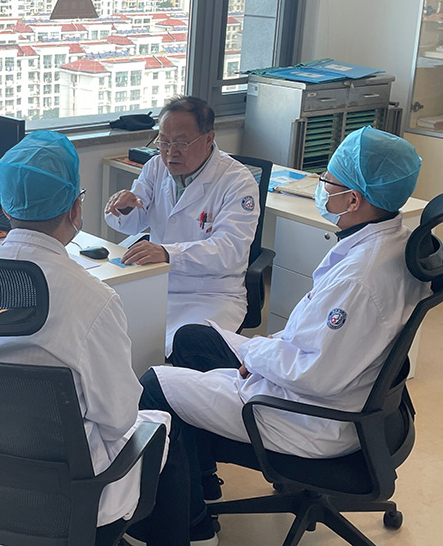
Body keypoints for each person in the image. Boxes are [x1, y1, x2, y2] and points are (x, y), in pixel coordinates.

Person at [137, 126, 432, 540]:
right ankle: (200, 483)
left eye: (328, 181)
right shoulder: (397, 243)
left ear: (353, 200)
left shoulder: (360, 279)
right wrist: (263, 353)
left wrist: (255, 357)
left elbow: (315, 376)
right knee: (192, 338)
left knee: (154, 387)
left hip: (312, 416)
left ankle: (191, 529)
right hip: (347, 392)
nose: (322, 187)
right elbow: (320, 345)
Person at [0, 130, 172, 539]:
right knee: (163, 428)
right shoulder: (93, 300)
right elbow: (119, 420)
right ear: (75, 208)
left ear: (5, 206)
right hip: (63, 498)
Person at [104, 95, 259, 355]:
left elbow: (230, 250)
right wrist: (125, 207)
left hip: (210, 294)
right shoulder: (155, 167)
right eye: (164, 142)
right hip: (157, 283)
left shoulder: (237, 181)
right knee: (113, 336)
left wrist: (168, 253)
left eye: (181, 143)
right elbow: (133, 224)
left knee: (180, 347)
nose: (170, 152)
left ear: (208, 139)